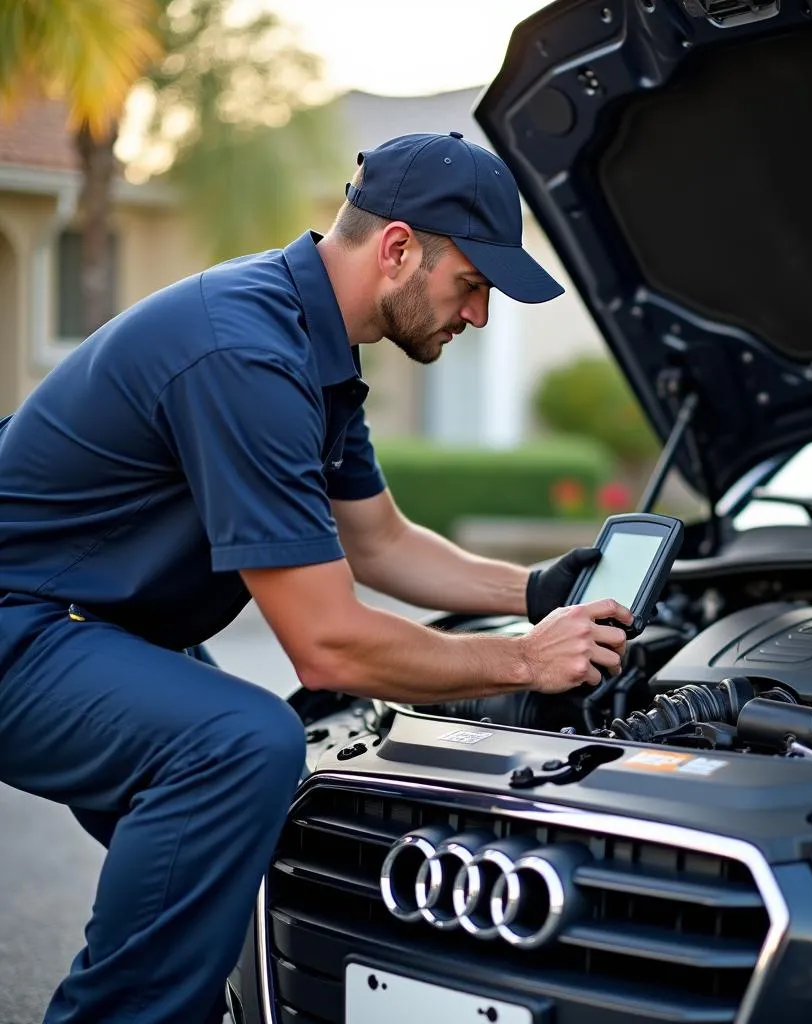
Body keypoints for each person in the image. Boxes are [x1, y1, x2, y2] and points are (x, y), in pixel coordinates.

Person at [0, 131, 631, 1023]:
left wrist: (535, 592)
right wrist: (526, 661)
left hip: (89, 625)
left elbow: (379, 543)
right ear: (400, 248)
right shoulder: (247, 354)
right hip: (20, 622)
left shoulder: (315, 347)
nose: (480, 315)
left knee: (237, 822)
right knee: (238, 745)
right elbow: (327, 643)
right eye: (474, 284)